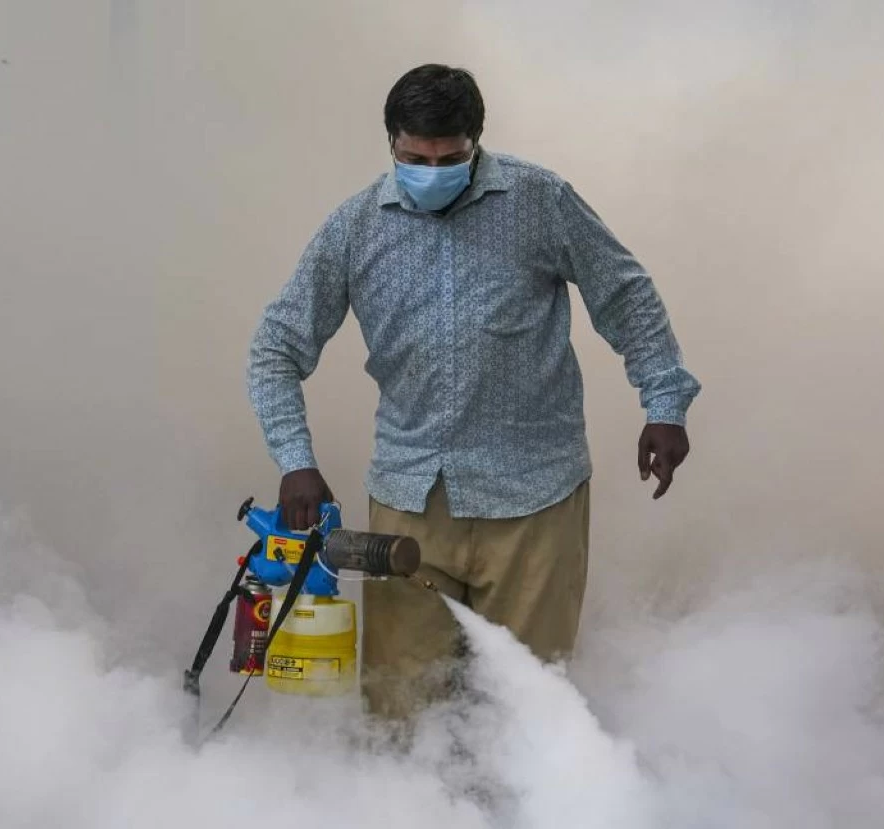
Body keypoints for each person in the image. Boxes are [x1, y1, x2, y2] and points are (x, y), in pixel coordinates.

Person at [246, 64, 701, 723]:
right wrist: (295, 457)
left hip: (535, 501)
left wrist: (665, 405)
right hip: (409, 502)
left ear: (475, 142)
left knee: (525, 707)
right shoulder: (354, 229)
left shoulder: (540, 201)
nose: (432, 169)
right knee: (402, 709)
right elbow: (275, 346)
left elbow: (625, 294)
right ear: (392, 144)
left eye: (449, 157)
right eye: (414, 157)